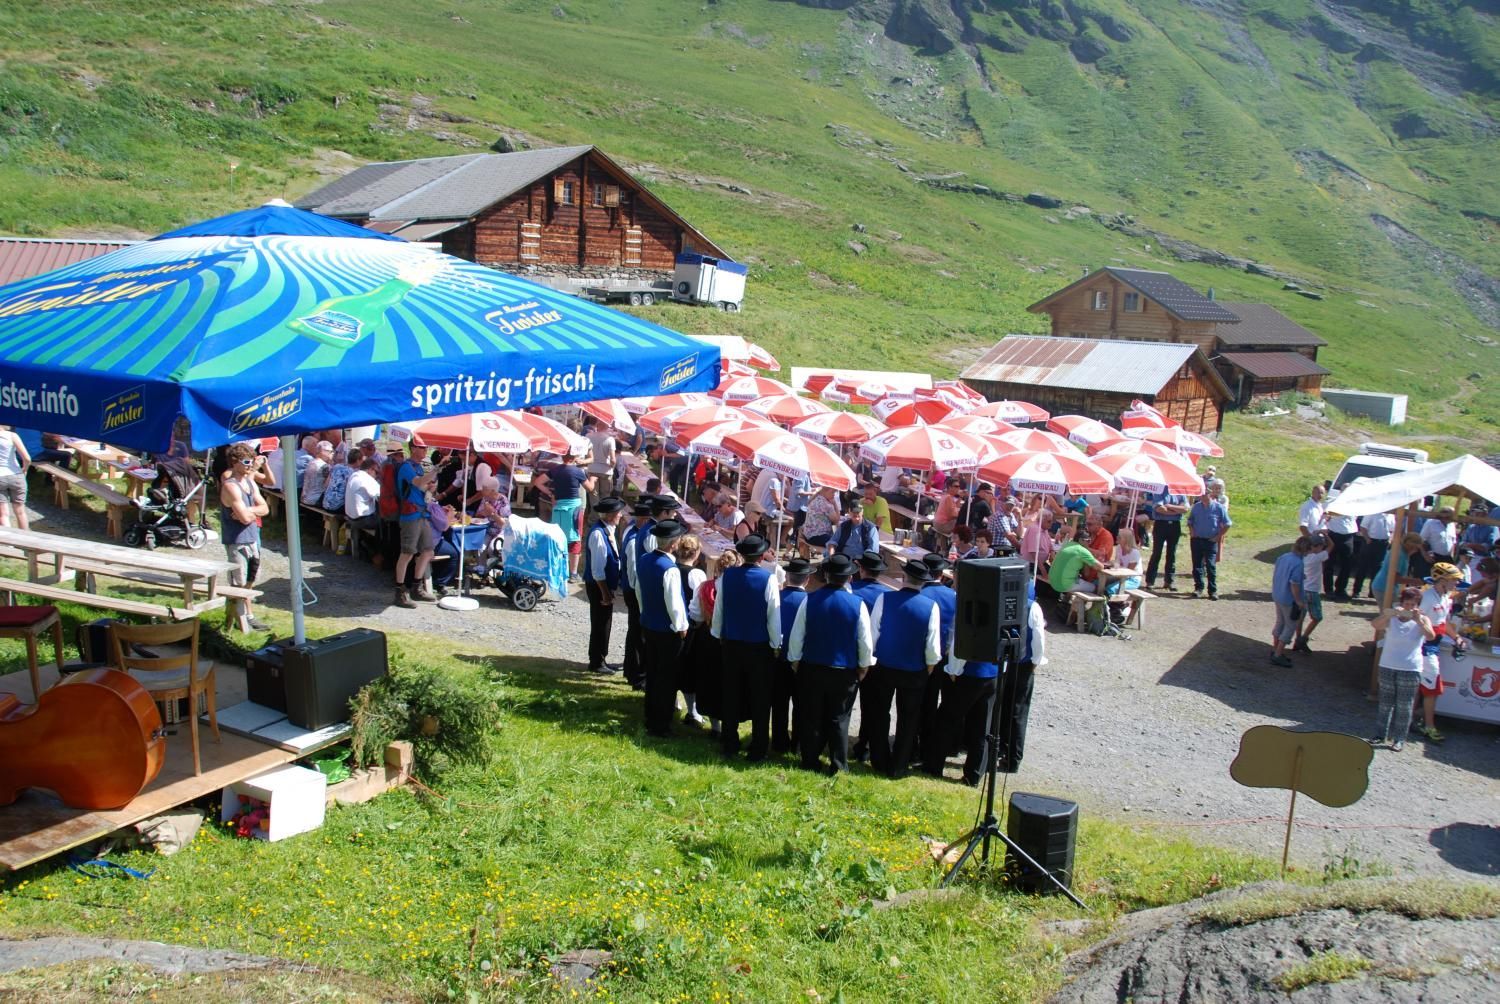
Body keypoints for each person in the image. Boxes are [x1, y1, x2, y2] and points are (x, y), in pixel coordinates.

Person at [925, 580, 1047, 783]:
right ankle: (974, 774)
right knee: (983, 726)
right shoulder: (1012, 608)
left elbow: (962, 642)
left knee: (947, 719)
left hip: (970, 672)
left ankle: (934, 764)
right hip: (993, 673)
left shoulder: (976, 608)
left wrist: (954, 670)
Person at [785, 553, 873, 775]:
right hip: (843, 669)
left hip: (813, 666)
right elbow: (864, 640)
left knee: (811, 715)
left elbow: (797, 636)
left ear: (825, 575)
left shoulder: (810, 600)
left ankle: (810, 758)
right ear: (850, 578)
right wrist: (863, 665)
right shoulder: (857, 605)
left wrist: (795, 660)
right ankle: (838, 763)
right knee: (839, 718)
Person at [864, 560, 941, 778]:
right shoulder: (930, 607)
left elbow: (872, 634)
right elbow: (933, 646)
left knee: (880, 714)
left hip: (885, 665)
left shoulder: (884, 598)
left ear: (904, 578)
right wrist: (928, 668)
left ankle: (879, 759)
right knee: (908, 719)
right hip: (914, 669)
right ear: (923, 583)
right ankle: (899, 764)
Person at [712, 534, 782, 761]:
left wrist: (718, 633)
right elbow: (773, 615)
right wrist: (775, 643)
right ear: (762, 556)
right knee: (760, 698)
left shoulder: (727, 577)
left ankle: (729, 741)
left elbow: (719, 609)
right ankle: (758, 746)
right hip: (758, 645)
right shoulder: (768, 579)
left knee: (731, 693)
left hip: (732, 643)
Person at [636, 519, 689, 737]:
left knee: (654, 671)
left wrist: (644, 612)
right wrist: (681, 627)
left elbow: (639, 590)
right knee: (666, 677)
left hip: (649, 623)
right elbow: (674, 603)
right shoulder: (670, 569)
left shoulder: (645, 559)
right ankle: (662, 723)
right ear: (674, 544)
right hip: (667, 629)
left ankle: (651, 715)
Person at [1369, 586, 1436, 751]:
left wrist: (1419, 620)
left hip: (1410, 668)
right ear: (1402, 602)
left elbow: (1431, 636)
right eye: (1407, 603)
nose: (1409, 607)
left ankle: (1399, 738)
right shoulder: (1393, 617)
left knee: (1404, 705)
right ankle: (1379, 734)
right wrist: (1388, 614)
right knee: (1385, 702)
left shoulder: (1423, 619)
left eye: (1413, 604)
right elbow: (1376, 625)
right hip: (1388, 664)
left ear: (1418, 605)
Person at [219, 443, 270, 631]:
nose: (250, 465)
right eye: (247, 461)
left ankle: (238, 618)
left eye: (252, 461)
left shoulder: (249, 483)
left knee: (250, 580)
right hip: (236, 541)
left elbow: (265, 508)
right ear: (235, 462)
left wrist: (248, 510)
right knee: (238, 584)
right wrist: (249, 513)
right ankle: (243, 622)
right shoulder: (230, 486)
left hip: (252, 538)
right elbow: (244, 518)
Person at [692, 549, 740, 736]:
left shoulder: (705, 587)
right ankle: (730, 723)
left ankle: (715, 726)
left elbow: (695, 613)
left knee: (710, 679)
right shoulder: (737, 588)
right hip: (730, 637)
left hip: (708, 635)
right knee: (728, 681)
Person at [1414, 563, 1464, 743]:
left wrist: (1457, 637)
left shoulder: (1446, 597)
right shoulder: (1427, 598)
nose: (1457, 583)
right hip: (1424, 647)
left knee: (1423, 687)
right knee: (1432, 688)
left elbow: (1444, 622)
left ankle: (1411, 720)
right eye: (1454, 580)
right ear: (1442, 580)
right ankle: (1428, 726)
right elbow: (1416, 621)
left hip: (1433, 646)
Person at [772, 556, 813, 754]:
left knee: (779, 704)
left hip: (778, 657)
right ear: (807, 580)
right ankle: (796, 742)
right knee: (801, 705)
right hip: (801, 660)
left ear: (787, 576)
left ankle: (779, 742)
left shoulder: (777, 597)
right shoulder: (810, 601)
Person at [582, 497, 626, 674]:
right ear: (610, 515)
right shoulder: (598, 534)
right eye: (618, 513)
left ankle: (602, 658)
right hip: (599, 586)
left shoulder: (608, 530)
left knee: (605, 622)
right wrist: (606, 593)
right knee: (600, 623)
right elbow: (598, 570)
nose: (620, 515)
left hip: (604, 585)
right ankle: (596, 661)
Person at [392, 442, 438, 608]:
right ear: (413, 449)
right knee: (407, 553)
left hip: (421, 513)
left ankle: (416, 587)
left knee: (427, 551)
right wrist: (435, 471)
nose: (425, 450)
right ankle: (400, 592)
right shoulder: (406, 467)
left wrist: (431, 486)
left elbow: (422, 486)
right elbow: (418, 483)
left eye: (426, 447)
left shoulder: (417, 467)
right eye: (422, 447)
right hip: (410, 515)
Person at [669, 534, 708, 727]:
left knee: (674, 665)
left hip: (672, 622)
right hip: (691, 626)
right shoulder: (697, 575)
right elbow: (700, 604)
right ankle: (693, 712)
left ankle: (674, 703)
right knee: (690, 669)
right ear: (697, 553)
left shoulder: (671, 569)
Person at [619, 499, 656, 690]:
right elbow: (634, 569)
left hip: (632, 588)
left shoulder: (632, 532)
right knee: (637, 633)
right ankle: (635, 672)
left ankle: (630, 668)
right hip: (633, 589)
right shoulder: (635, 538)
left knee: (634, 631)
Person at [546, 451, 594, 581]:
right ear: (575, 457)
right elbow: (590, 488)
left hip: (559, 507)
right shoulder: (578, 471)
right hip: (574, 508)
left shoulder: (555, 470)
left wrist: (551, 494)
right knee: (575, 537)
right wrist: (593, 480)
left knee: (557, 537)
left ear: (562, 456)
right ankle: (573, 573)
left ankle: (556, 569)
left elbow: (538, 482)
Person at [1187, 489, 1232, 601]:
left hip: (1210, 541)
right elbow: (1190, 520)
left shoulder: (1219, 507)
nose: (1202, 496)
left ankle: (1212, 590)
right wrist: (1192, 531)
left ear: (1210, 494)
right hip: (1197, 540)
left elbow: (1228, 523)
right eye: (1200, 494)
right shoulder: (1196, 507)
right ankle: (1198, 588)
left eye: (1205, 494)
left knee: (1211, 566)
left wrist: (1218, 537)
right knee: (1197, 565)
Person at [1293, 533, 1333, 652]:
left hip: (1302, 590)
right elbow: (1332, 546)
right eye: (1321, 546)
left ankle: (1298, 638)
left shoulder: (1302, 557)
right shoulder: (1317, 557)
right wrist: (1326, 535)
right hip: (1312, 591)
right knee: (1317, 617)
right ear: (1316, 546)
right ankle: (1303, 639)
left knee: (1300, 617)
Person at [1269, 541, 1306, 668]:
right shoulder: (1298, 563)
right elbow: (1294, 583)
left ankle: (1275, 649)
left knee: (1280, 622)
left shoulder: (1283, 557)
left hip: (1277, 594)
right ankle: (1278, 655)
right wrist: (1298, 601)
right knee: (1290, 626)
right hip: (1288, 599)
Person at [1144, 487, 1187, 591]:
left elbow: (1185, 508)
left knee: (1172, 553)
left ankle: (1169, 581)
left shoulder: (1180, 491)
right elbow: (1159, 509)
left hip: (1175, 525)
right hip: (1161, 524)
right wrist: (1176, 510)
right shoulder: (1160, 491)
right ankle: (1150, 581)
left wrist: (1169, 506)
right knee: (1157, 553)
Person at [343, 457, 382, 560]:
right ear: (370, 469)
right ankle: (378, 553)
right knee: (387, 523)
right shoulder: (367, 479)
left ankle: (366, 545)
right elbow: (380, 496)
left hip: (350, 517)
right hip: (363, 520)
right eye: (377, 472)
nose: (377, 476)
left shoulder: (354, 475)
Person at [1048, 526, 1103, 595]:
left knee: (1077, 580)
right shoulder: (1082, 551)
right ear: (1080, 540)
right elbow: (1100, 567)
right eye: (1088, 541)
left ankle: (1066, 601)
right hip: (1062, 585)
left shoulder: (1067, 544)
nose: (1089, 543)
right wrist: (1092, 557)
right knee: (1095, 588)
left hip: (1052, 580)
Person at [1353, 510, 1395, 599]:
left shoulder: (1390, 515)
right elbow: (1363, 527)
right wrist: (1367, 539)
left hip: (1383, 543)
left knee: (1377, 569)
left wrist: (1390, 540)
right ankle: (1356, 591)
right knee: (1363, 567)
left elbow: (1392, 530)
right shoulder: (1372, 513)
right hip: (1371, 542)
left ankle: (1372, 592)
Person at [426, 499, 461, 596]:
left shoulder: (422, 502)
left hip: (423, 540)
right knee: (455, 554)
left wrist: (441, 510)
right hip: (431, 542)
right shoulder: (432, 506)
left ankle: (436, 578)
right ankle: (440, 583)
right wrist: (450, 515)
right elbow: (444, 527)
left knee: (447, 546)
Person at [1323, 506, 1358, 602]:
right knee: (1329, 563)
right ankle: (1328, 590)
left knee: (1347, 564)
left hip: (1348, 535)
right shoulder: (1335, 503)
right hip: (1334, 534)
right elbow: (1326, 513)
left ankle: (1340, 589)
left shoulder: (1356, 504)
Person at [0, 425, 31, 530]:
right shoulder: (12, 436)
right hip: (16, 474)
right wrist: (24, 469)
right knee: (20, 512)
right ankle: (25, 540)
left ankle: (9, 544)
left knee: (3, 514)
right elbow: (27, 458)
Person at [801, 485, 838, 555]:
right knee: (837, 543)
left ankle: (819, 551)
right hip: (818, 536)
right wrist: (835, 504)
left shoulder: (814, 499)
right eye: (833, 492)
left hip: (808, 535)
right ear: (826, 491)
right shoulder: (827, 505)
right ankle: (828, 560)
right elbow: (836, 520)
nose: (834, 495)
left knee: (834, 541)